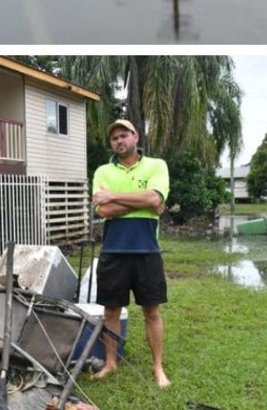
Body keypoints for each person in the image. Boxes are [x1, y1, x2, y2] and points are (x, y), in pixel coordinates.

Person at [91, 118, 170, 388]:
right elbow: (103, 211)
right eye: (114, 138)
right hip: (113, 251)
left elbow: (155, 199)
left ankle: (158, 367)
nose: (119, 141)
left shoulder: (156, 165)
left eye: (124, 135)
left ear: (135, 137)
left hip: (147, 251)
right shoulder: (102, 171)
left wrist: (113, 196)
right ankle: (111, 362)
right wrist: (143, 200)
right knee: (111, 311)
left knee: (152, 310)